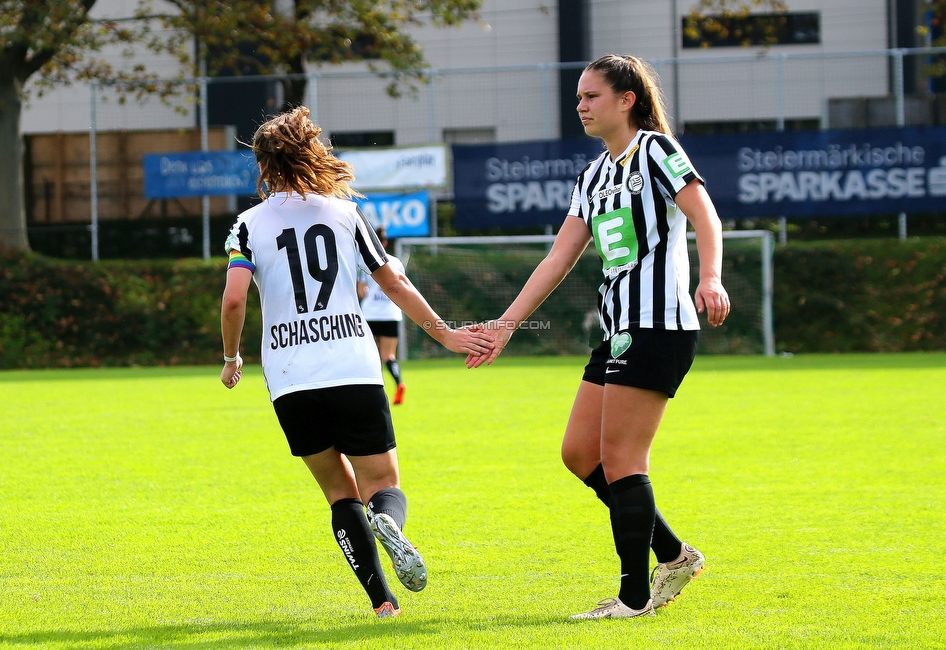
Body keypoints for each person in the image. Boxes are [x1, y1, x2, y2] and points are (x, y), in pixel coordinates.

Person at [466, 54, 730, 620]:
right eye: (579, 97)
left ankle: (634, 598)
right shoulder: (592, 176)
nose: (581, 106)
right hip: (617, 330)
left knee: (622, 459)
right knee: (580, 453)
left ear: (626, 99)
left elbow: (706, 217)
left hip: (657, 324)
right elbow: (558, 259)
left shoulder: (658, 151)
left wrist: (710, 277)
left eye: (591, 96)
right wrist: (505, 325)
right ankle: (675, 554)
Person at [219, 106, 492, 619]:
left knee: (338, 494)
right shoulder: (346, 215)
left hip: (289, 379)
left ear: (261, 164)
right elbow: (395, 283)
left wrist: (231, 357)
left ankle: (382, 602)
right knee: (382, 486)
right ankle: (387, 519)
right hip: (351, 367)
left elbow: (234, 300)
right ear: (312, 153)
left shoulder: (248, 225)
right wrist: (448, 336)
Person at [357, 226, 407, 405]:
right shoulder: (396, 262)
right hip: (391, 314)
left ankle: (372, 392)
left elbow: (361, 291)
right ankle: (399, 383)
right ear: (385, 243)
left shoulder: (364, 261)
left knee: (368, 355)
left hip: (370, 314)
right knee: (389, 356)